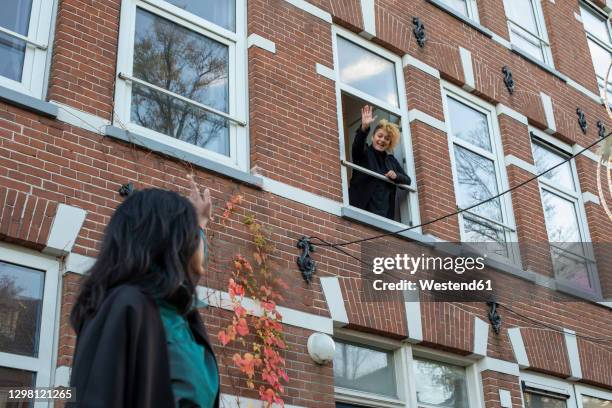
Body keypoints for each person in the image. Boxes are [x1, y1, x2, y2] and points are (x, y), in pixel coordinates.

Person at [68, 177, 219, 408]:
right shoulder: (125, 306)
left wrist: (198, 223)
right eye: (191, 234)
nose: (198, 241)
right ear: (170, 242)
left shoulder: (181, 318)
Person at [348, 105, 411, 220]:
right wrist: (364, 128)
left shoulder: (391, 160)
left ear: (389, 143)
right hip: (361, 210)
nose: (382, 140)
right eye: (380, 136)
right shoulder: (365, 152)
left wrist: (396, 175)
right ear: (372, 137)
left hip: (385, 215)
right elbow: (357, 146)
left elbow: (408, 181)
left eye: (387, 139)